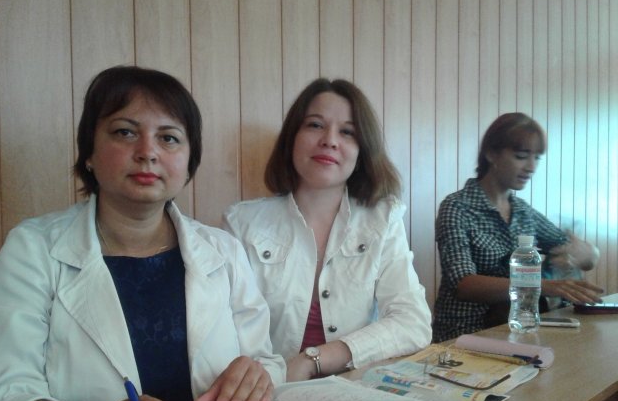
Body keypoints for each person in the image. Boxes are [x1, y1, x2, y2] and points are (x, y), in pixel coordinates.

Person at [0, 66, 285, 401]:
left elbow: (264, 360)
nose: (147, 152)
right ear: (89, 152)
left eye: (168, 138)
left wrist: (258, 376)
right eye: (125, 132)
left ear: (189, 162)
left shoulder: (223, 250)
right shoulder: (32, 250)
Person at [223, 78, 432, 382]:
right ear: (292, 138)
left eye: (347, 132)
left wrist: (313, 360)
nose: (330, 140)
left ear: (362, 151)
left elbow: (413, 322)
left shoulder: (383, 219)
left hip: (355, 389)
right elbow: (227, 331)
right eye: (315, 125)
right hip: (266, 392)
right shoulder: (241, 223)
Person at [432, 112, 603, 342]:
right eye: (521, 156)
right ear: (491, 154)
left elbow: (573, 250)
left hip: (516, 331)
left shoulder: (523, 211)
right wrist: (543, 285)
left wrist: (589, 254)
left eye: (537, 158)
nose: (531, 167)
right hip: (465, 334)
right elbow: (463, 284)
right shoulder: (456, 207)